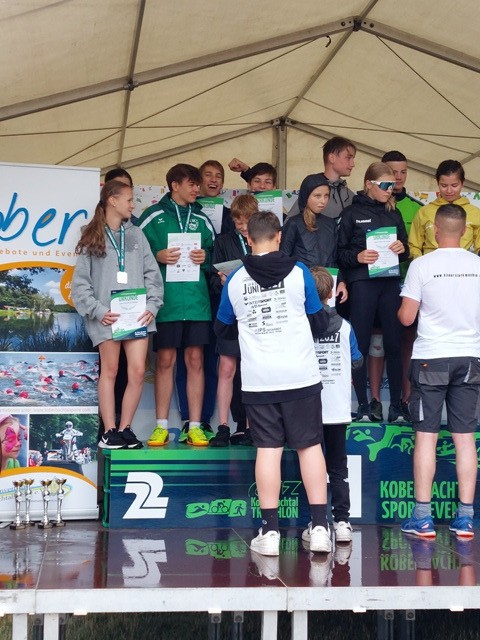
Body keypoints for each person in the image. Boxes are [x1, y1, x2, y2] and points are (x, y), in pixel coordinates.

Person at [215, 210, 331, 556]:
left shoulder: (235, 280)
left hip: (259, 379)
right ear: (279, 236)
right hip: (300, 376)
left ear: (248, 239)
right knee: (310, 447)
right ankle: (320, 528)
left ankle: (269, 532)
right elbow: (320, 322)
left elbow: (222, 328)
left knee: (268, 450)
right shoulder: (300, 272)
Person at [399, 204, 480, 539]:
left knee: (426, 437)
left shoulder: (422, 265)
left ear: (433, 229)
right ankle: (465, 519)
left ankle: (422, 518)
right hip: (470, 357)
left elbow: (406, 318)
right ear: (465, 230)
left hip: (431, 357)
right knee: (465, 439)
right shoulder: (478, 265)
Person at [72, 180, 163, 450]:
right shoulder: (91, 236)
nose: (133, 205)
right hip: (107, 316)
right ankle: (109, 431)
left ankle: (125, 429)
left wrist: (152, 306)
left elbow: (152, 275)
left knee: (137, 372)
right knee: (110, 371)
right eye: (129, 200)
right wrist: (99, 311)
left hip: (137, 316)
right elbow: (80, 286)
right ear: (112, 200)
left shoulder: (137, 235)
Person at [136, 164, 215, 447]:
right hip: (166, 302)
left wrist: (206, 258)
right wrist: (156, 255)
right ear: (175, 185)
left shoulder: (203, 219)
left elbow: (215, 255)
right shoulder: (152, 216)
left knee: (195, 361)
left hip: (196, 302)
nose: (197, 189)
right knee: (165, 362)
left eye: (197, 184)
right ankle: (160, 426)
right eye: (191, 184)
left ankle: (194, 426)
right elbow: (134, 253)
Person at [337, 162, 409, 423]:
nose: (390, 190)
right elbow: (339, 254)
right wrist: (357, 257)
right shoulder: (351, 213)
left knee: (394, 343)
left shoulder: (394, 212)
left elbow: (406, 250)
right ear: (369, 184)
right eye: (385, 185)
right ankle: (364, 405)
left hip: (389, 283)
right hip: (363, 284)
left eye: (392, 185)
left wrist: (402, 249)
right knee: (361, 344)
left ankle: (397, 406)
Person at [367, 151, 423, 422]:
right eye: (392, 172)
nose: (397, 178)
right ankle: (375, 400)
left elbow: (415, 249)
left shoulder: (416, 208)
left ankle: (406, 399)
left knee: (407, 341)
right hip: (379, 283)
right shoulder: (364, 207)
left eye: (403, 172)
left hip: (408, 284)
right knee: (377, 340)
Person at [310, 267, 363, 542]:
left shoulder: (301, 326)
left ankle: (317, 523)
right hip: (338, 408)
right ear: (331, 293)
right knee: (338, 468)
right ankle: (342, 522)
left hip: (309, 409)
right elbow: (357, 361)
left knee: (313, 466)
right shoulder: (346, 326)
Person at [175, 160, 225, 434]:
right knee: (187, 360)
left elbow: (220, 254)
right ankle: (189, 419)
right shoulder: (177, 213)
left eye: (219, 176)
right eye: (207, 176)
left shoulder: (228, 214)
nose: (213, 180)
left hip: (213, 296)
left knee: (210, 360)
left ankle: (205, 418)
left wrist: (209, 260)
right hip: (186, 297)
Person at [209, 194, 258, 447]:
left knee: (250, 371)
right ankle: (223, 426)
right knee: (226, 369)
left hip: (255, 316)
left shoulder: (263, 242)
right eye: (239, 222)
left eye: (248, 221)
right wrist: (220, 281)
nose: (243, 227)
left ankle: (249, 427)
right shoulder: (223, 242)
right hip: (230, 315)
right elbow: (211, 279)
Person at [280, 173, 348, 303]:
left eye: (326, 196)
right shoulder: (294, 223)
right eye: (317, 196)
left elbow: (334, 258)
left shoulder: (330, 224)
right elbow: (284, 258)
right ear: (306, 196)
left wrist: (341, 282)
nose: (323, 201)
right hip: (301, 285)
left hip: (327, 285)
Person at [409, 159, 480, 258]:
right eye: (444, 185)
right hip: (431, 265)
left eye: (454, 185)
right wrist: (420, 261)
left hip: (462, 265)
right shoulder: (424, 212)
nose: (449, 190)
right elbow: (414, 245)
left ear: (462, 183)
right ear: (437, 183)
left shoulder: (475, 213)